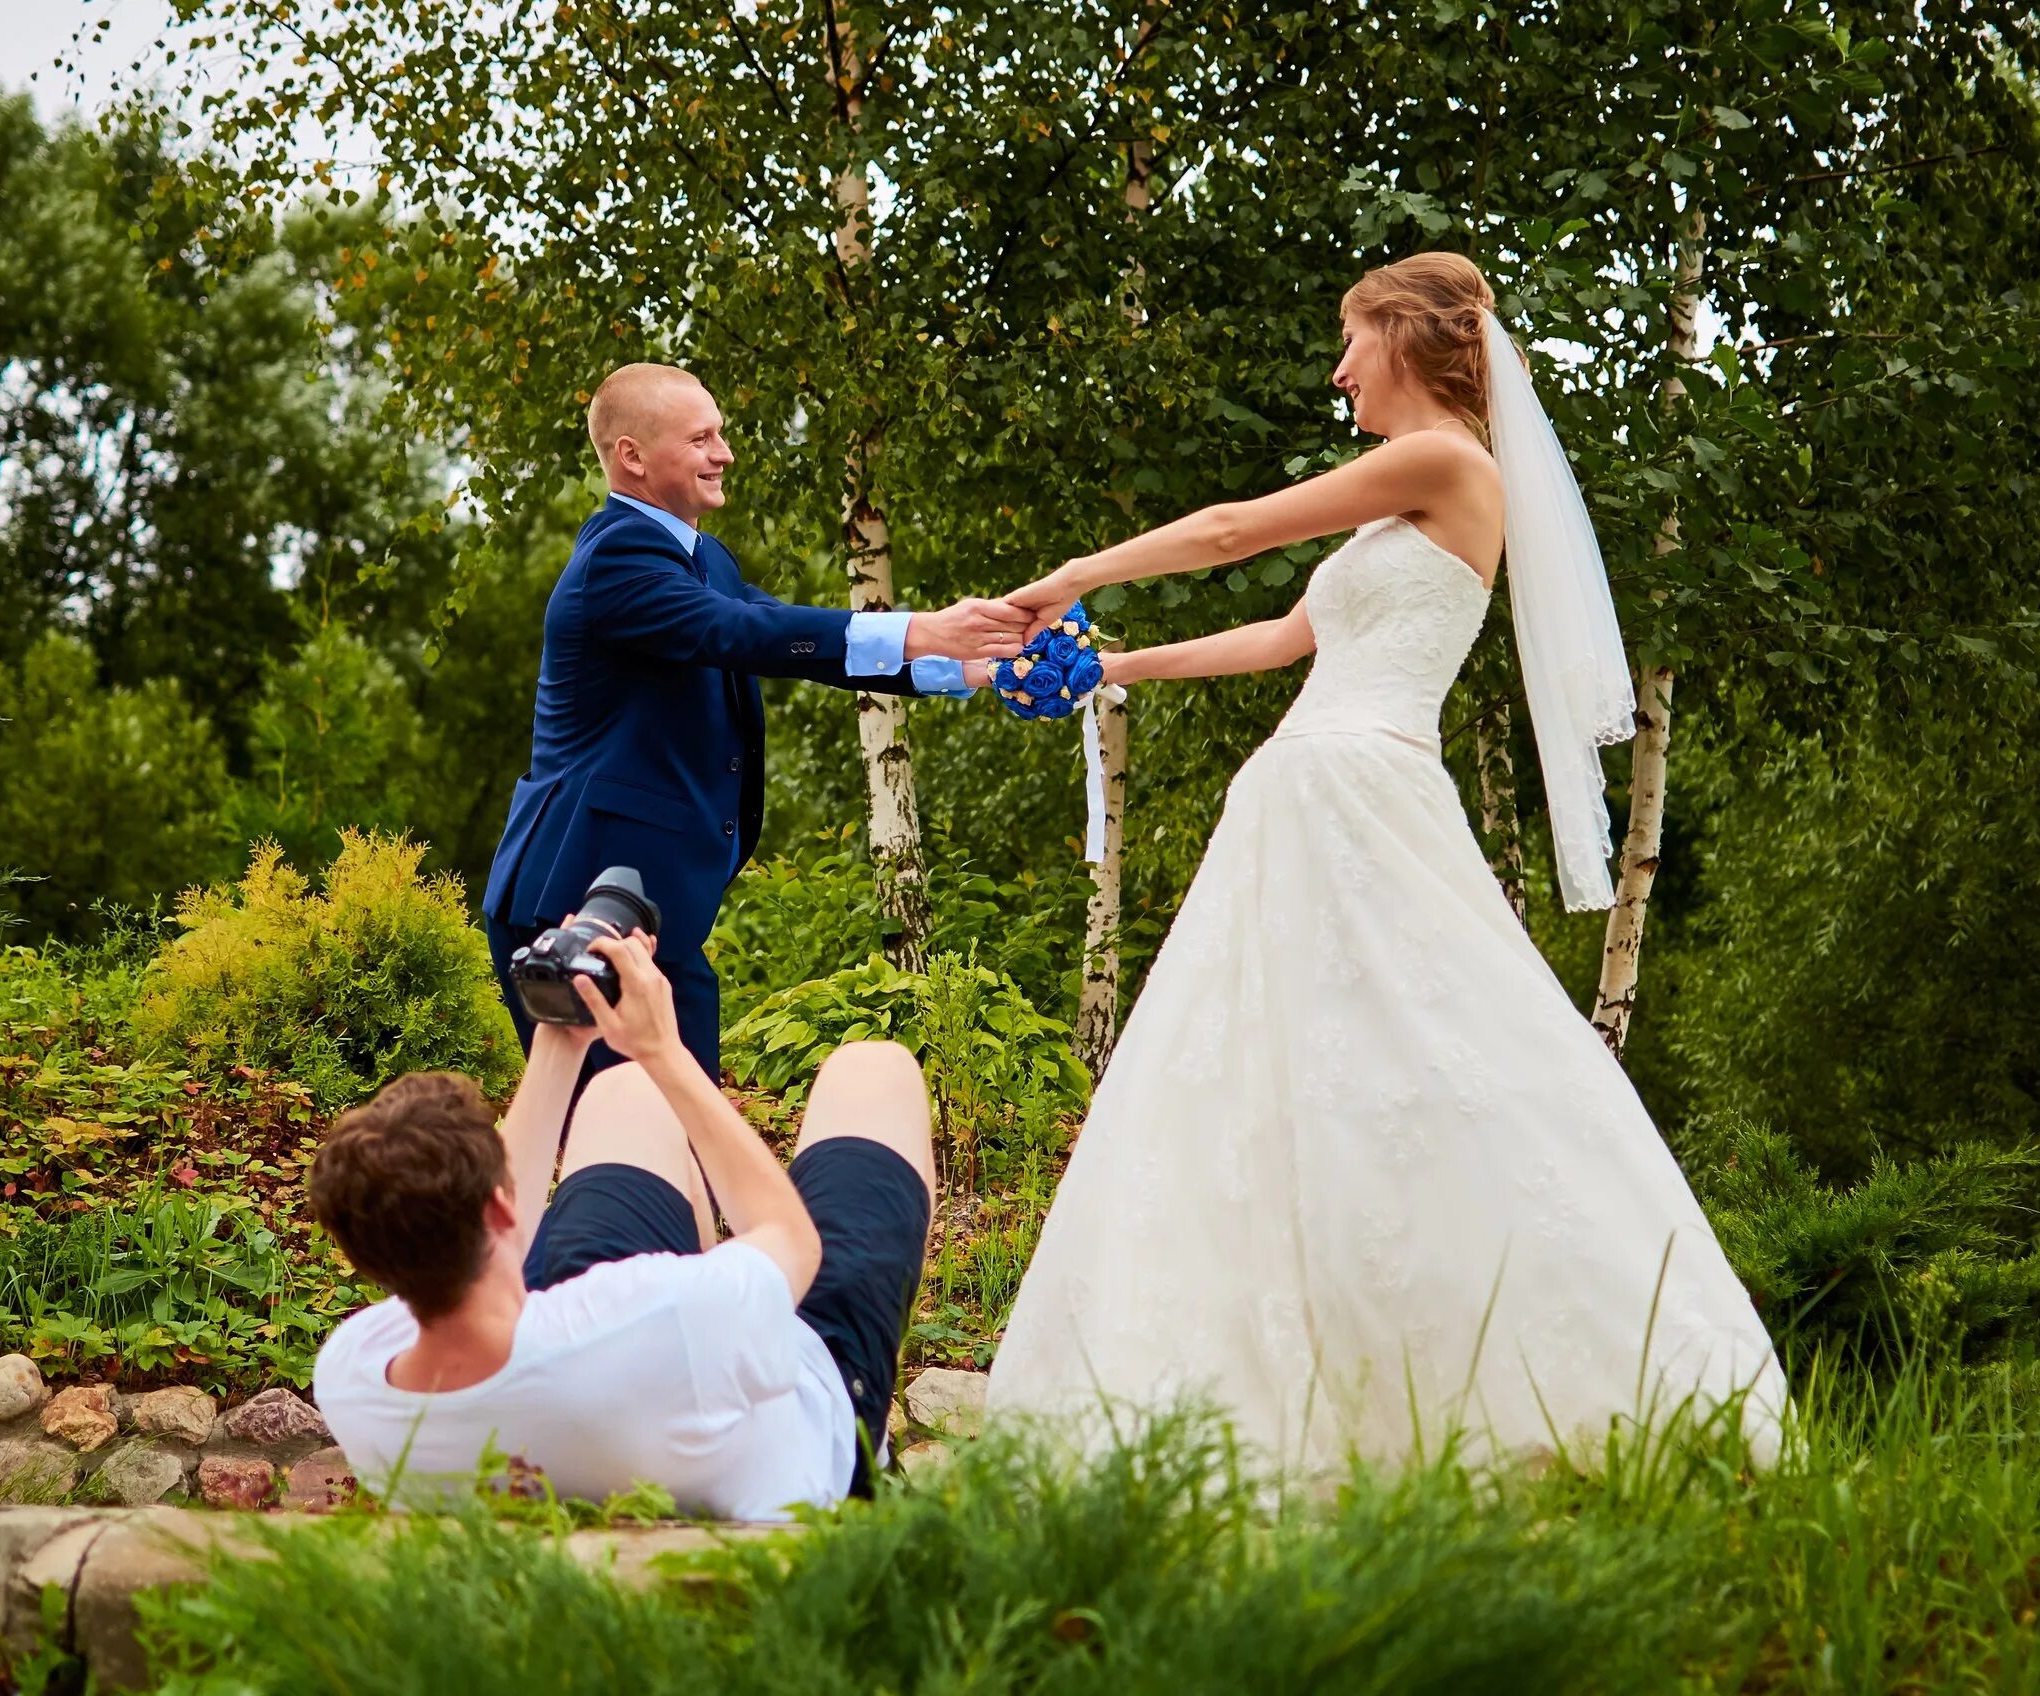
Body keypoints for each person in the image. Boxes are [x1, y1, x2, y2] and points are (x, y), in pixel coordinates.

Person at [983, 253, 1787, 1472]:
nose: (1338, 365)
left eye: (1352, 339)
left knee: (1427, 1051)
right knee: (1293, 1074)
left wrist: (1075, 575)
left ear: (1407, 338)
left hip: (1360, 781)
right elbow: (1284, 636)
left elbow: (1230, 530)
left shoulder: (1448, 462)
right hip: (1306, 784)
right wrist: (1117, 666)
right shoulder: (1394, 500)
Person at [483, 361, 1026, 1087]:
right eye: (701, 437)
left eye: (722, 434)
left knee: (676, 1143)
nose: (725, 453)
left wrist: (973, 664)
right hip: (581, 903)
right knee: (623, 1154)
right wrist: (926, 630)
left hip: (649, 905)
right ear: (633, 457)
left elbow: (777, 631)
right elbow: (738, 633)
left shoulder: (701, 557)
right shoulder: (617, 556)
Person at [309, 922, 937, 1521]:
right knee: (872, 1070)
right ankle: (874, 1447)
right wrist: (664, 1050)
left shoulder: (357, 1377)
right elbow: (792, 1241)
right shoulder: (662, 1312)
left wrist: (560, 1039)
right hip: (810, 1409)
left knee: (624, 1091)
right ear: (499, 1207)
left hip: (613, 1382)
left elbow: (503, 1229)